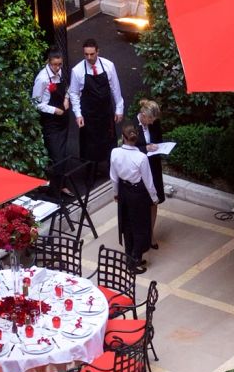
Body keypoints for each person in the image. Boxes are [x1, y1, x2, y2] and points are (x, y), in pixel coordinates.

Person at [109, 122, 160, 272]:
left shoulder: (115, 152)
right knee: (140, 226)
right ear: (135, 138)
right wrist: (154, 198)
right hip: (138, 194)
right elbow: (148, 181)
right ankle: (136, 259)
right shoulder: (141, 157)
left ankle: (129, 257)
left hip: (123, 191)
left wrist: (116, 193)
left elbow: (113, 177)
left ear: (123, 138)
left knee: (127, 225)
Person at [71, 36, 123, 177]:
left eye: (92, 54)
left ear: (98, 51)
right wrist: (78, 114)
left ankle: (111, 171)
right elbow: (74, 94)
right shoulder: (77, 71)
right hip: (89, 114)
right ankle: (90, 173)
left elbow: (115, 88)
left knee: (109, 142)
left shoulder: (108, 66)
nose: (89, 57)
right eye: (86, 54)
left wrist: (119, 108)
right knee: (90, 145)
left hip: (106, 112)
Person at [30, 49, 71, 175]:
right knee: (56, 155)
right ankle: (55, 187)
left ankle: (62, 185)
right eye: (55, 64)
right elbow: (35, 103)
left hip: (62, 120)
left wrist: (66, 97)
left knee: (62, 153)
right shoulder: (42, 79)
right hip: (51, 122)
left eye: (60, 64)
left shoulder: (60, 72)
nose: (58, 67)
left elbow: (68, 87)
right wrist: (54, 110)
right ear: (49, 62)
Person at [137, 99, 167, 240]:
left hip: (153, 166)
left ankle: (150, 233)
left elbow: (159, 139)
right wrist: (145, 148)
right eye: (149, 119)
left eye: (153, 120)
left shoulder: (154, 123)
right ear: (143, 114)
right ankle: (142, 234)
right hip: (140, 170)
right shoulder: (131, 126)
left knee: (154, 202)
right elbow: (128, 149)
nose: (151, 123)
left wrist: (157, 146)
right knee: (142, 203)